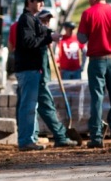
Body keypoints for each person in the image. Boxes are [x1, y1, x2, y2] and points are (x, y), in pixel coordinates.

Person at [77, 0, 111, 149]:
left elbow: (82, 39)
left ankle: (96, 137)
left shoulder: (88, 13)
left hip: (97, 62)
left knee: (97, 99)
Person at [14, 0, 63, 151]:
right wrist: (49, 38)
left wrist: (49, 33)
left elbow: (41, 31)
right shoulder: (26, 19)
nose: (42, 3)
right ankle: (26, 141)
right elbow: (29, 41)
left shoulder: (32, 20)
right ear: (29, 1)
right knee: (28, 107)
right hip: (28, 69)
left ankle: (28, 139)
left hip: (32, 69)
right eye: (39, 1)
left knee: (30, 106)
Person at [34, 9, 78, 148]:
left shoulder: (44, 35)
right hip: (39, 77)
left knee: (38, 107)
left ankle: (34, 136)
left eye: (48, 21)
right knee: (47, 106)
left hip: (42, 77)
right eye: (43, 21)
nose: (46, 23)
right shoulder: (36, 36)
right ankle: (60, 136)